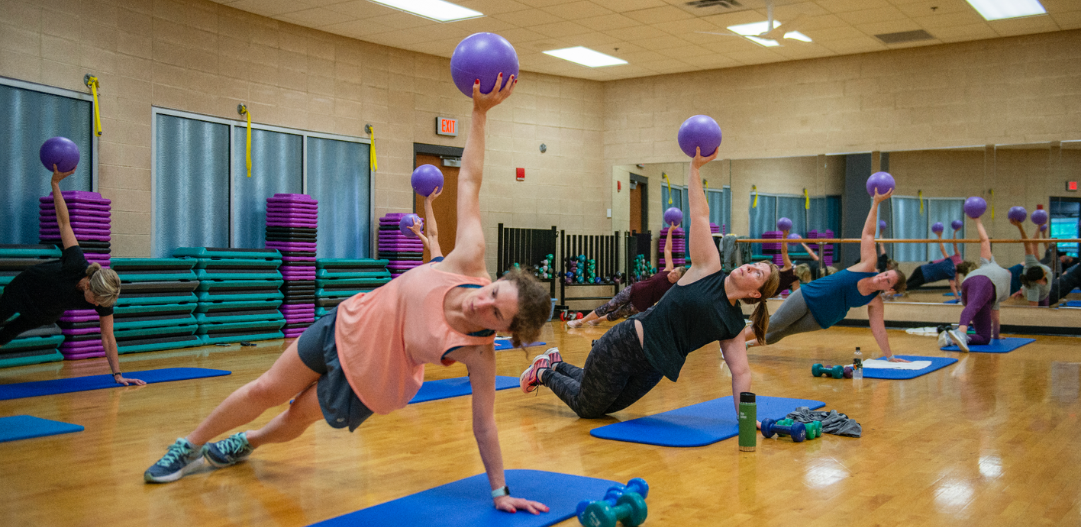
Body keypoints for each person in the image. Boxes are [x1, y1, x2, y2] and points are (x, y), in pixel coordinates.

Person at [145, 75, 551, 515]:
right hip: (345, 324)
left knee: (296, 416)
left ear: (505, 332)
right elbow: (470, 181)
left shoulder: (479, 355)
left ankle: (248, 441)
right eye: (493, 293)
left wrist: (498, 491)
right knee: (266, 388)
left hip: (374, 380)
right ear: (495, 280)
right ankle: (187, 446)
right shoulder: (469, 258)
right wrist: (478, 113)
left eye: (494, 314)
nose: (481, 303)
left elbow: (485, 424)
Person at [520, 147, 780, 418]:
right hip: (625, 344)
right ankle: (544, 373)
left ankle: (556, 363)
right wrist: (694, 169)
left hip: (653, 369)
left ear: (754, 293)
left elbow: (740, 372)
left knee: (605, 406)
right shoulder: (707, 268)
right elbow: (700, 215)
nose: (749, 266)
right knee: (588, 409)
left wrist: (747, 420)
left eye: (757, 273)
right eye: (754, 264)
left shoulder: (733, 325)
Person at [0, 166, 143, 386]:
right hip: (24, 290)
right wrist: (55, 185)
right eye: (96, 300)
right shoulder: (76, 262)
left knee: (7, 333)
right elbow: (64, 223)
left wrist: (118, 375)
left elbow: (107, 337)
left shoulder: (103, 298)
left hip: (45, 311)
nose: (97, 306)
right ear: (87, 285)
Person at [748, 189, 909, 362]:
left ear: (890, 289)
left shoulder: (875, 302)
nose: (882, 277)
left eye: (888, 280)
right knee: (776, 323)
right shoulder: (868, 265)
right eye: (885, 273)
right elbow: (868, 234)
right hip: (811, 295)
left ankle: (745, 346)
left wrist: (890, 356)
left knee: (782, 332)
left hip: (825, 316)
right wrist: (876, 202)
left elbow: (879, 329)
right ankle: (734, 342)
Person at [567, 226, 685, 328]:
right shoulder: (668, 268)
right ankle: (580, 321)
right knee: (610, 305)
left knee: (616, 314)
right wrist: (670, 231)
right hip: (634, 289)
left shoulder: (674, 288)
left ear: (678, 279)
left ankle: (598, 320)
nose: (672, 272)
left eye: (675, 274)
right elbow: (668, 250)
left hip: (641, 304)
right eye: (674, 270)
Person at [942, 215, 1011, 352]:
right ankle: (960, 332)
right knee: (973, 306)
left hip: (973, 285)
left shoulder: (1000, 285)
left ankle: (950, 339)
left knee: (984, 337)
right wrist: (977, 220)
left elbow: (985, 241)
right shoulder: (993, 266)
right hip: (981, 281)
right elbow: (985, 241)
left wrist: (995, 337)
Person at [903, 231, 974, 298]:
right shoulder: (951, 274)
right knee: (908, 286)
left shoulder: (949, 261)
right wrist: (957, 298)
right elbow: (953, 288)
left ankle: (897, 290)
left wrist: (939, 237)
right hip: (924, 277)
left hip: (921, 268)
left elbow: (942, 249)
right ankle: (893, 292)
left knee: (906, 283)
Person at [1011, 220, 1052, 306]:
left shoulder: (1031, 264)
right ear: (1038, 281)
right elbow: (1033, 310)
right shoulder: (1033, 289)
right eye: (1044, 274)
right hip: (1040, 296)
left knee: (1033, 248)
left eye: (1043, 270)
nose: (1046, 271)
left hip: (1036, 289)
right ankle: (1022, 290)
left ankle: (1021, 290)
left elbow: (1028, 244)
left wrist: (1020, 226)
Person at [408, 186, 444, 263]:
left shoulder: (440, 266)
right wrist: (418, 233)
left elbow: (433, 236)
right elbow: (432, 239)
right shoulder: (442, 265)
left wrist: (428, 202)